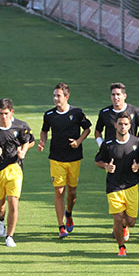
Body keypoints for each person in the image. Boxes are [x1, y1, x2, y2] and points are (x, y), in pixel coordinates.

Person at [37, 82, 92, 238]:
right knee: (59, 191)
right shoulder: (49, 115)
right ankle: (61, 226)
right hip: (56, 158)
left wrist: (78, 142)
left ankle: (69, 213)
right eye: (54, 95)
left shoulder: (77, 113)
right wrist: (42, 142)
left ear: (66, 97)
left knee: (72, 191)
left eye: (58, 95)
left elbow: (87, 128)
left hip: (74, 158)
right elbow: (44, 131)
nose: (55, 98)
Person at [0, 98, 35, 248]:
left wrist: (23, 151)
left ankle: (9, 236)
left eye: (6, 113)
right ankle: (0, 219)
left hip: (15, 169)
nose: (3, 117)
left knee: (13, 202)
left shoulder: (21, 126)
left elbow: (29, 141)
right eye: (1, 113)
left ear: (12, 112)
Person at [95, 112, 139, 256]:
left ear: (130, 126)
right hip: (113, 186)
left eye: (126, 124)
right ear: (115, 125)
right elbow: (98, 160)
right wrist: (106, 166)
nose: (123, 127)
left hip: (131, 185)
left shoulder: (137, 142)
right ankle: (121, 247)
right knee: (117, 218)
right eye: (120, 124)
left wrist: (138, 166)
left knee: (131, 221)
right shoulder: (108, 144)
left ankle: (125, 226)